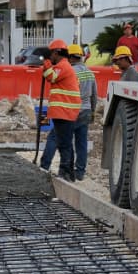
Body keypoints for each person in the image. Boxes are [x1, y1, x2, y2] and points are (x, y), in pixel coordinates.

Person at [40, 44, 98, 180]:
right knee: (81, 142)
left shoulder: (68, 69)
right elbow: (94, 94)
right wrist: (93, 112)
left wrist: (47, 64)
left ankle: (46, 165)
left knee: (58, 138)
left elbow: (54, 78)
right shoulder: (89, 72)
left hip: (71, 109)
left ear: (71, 57)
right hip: (86, 109)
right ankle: (79, 172)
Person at [40, 38, 81, 181]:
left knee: (64, 144)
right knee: (66, 142)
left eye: (51, 54)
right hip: (63, 111)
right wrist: (46, 66)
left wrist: (46, 63)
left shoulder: (63, 66)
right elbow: (48, 76)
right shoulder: (64, 66)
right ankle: (69, 173)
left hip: (64, 111)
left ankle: (65, 173)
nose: (50, 57)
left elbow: (51, 76)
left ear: (57, 52)